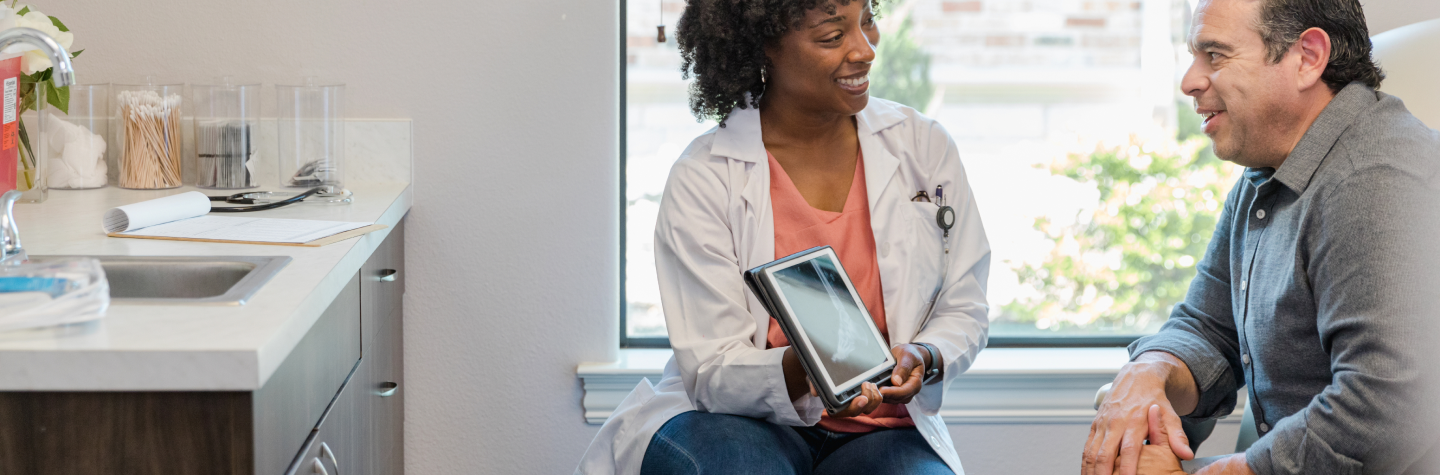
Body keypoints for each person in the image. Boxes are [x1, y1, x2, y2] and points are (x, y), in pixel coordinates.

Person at [576, 0, 991, 473]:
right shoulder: (706, 176)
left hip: (885, 431)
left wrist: (926, 353)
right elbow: (711, 369)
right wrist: (811, 368)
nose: (864, 50)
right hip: (736, 422)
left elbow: (965, 304)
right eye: (832, 37)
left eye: (867, 22)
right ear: (764, 46)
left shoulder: (923, 145)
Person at [1081, 0, 1440, 474]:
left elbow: (1387, 403)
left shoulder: (1374, 178)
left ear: (1308, 57)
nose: (1189, 81)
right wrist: (1150, 372)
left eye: (1215, 55)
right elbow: (1208, 326)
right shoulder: (1269, 171)